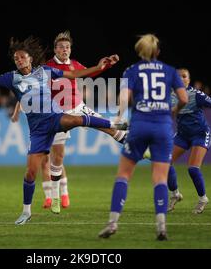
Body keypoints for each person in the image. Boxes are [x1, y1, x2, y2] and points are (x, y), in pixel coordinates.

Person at [0, 36, 125, 225]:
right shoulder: (11, 78)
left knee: (77, 120)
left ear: (30, 59)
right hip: (38, 131)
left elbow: (73, 75)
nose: (19, 60)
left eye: (22, 57)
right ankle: (26, 212)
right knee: (31, 172)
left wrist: (99, 68)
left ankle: (115, 125)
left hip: (55, 118)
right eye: (16, 58)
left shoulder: (45, 71)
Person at [11, 31, 127, 214]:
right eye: (61, 47)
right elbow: (28, 88)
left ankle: (139, 148)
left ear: (70, 49)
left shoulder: (75, 64)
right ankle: (56, 197)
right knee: (57, 157)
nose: (64, 50)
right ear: (55, 49)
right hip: (57, 114)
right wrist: (18, 110)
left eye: (67, 47)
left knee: (105, 126)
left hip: (77, 107)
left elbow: (90, 73)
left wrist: (105, 66)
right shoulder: (46, 67)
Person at [98, 34, 188, 241]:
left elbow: (124, 97)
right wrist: (173, 110)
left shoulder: (132, 71)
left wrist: (120, 116)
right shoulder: (170, 71)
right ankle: (161, 227)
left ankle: (112, 223)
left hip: (139, 126)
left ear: (139, 51)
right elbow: (183, 98)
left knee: (123, 175)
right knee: (159, 178)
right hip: (163, 127)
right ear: (157, 51)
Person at [167, 68, 211, 214]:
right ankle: (175, 195)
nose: (181, 79)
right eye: (178, 76)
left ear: (189, 79)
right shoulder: (169, 95)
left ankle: (203, 198)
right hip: (182, 135)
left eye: (184, 76)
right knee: (165, 163)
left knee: (193, 168)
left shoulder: (195, 94)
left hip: (200, 134)